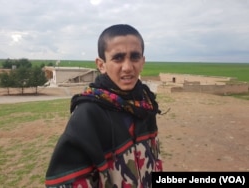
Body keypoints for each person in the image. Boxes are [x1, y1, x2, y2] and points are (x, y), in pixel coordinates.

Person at [45, 24, 163, 188]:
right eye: (118, 58)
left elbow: (155, 159)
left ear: (142, 61)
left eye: (135, 57)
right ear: (101, 65)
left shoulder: (146, 105)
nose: (128, 67)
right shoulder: (88, 115)